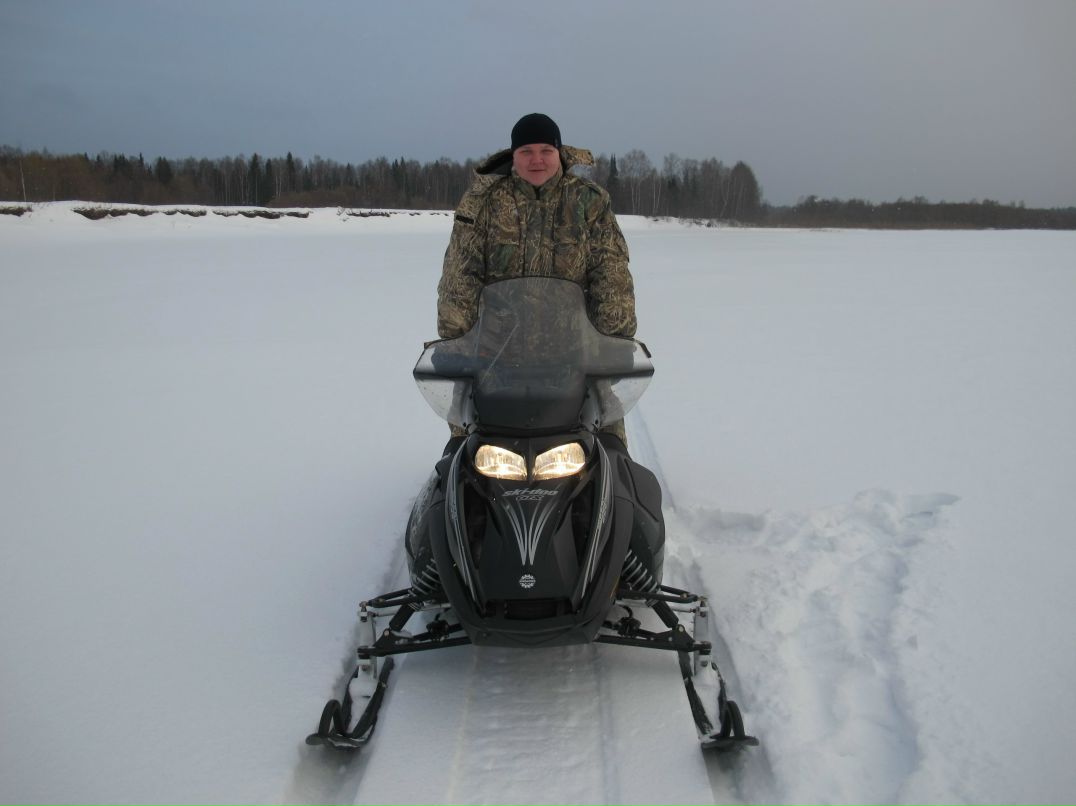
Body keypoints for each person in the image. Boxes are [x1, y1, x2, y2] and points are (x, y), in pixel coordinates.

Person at [436, 113, 637, 446]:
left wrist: (614, 341)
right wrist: (456, 342)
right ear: (513, 155)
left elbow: (610, 272)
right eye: (526, 151)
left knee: (607, 444)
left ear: (560, 152)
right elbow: (461, 273)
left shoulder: (589, 201)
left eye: (546, 150)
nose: (537, 160)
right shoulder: (484, 203)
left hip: (575, 352)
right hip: (497, 355)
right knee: (467, 447)